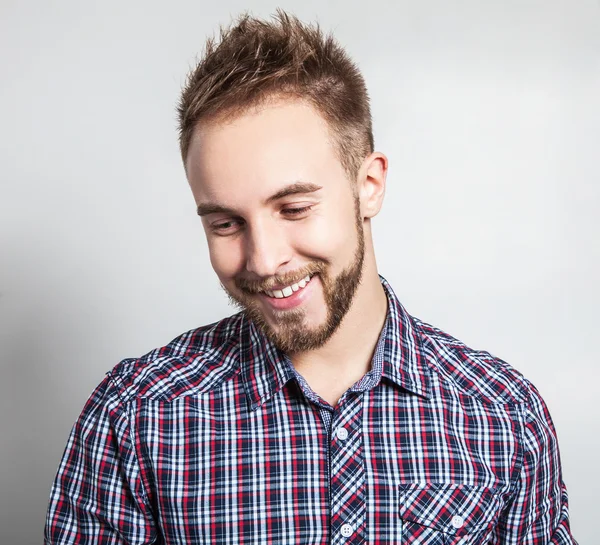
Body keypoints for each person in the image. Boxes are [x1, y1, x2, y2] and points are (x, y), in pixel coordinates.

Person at [44, 11, 577, 545]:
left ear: (368, 185)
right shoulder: (134, 418)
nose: (263, 260)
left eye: (294, 207)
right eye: (226, 223)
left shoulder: (503, 415)